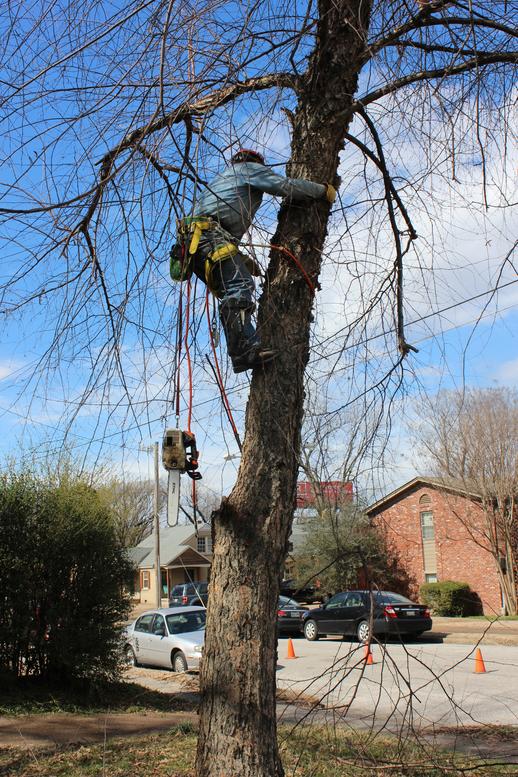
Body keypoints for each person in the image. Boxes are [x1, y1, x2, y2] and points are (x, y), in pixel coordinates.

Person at [171, 149, 336, 373]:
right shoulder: (248, 169)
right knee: (239, 285)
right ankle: (244, 350)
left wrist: (241, 259)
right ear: (255, 162)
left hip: (195, 245)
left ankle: (243, 350)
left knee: (234, 287)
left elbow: (215, 222)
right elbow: (284, 186)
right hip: (209, 237)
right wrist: (321, 191)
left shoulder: (221, 181)